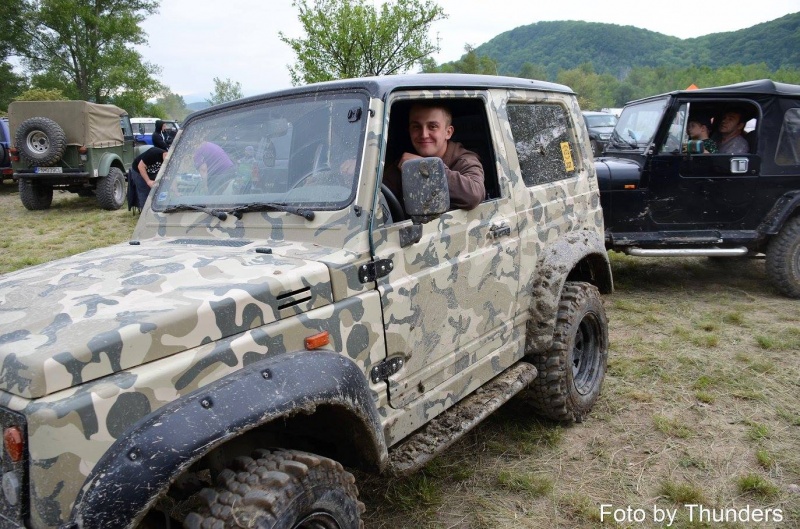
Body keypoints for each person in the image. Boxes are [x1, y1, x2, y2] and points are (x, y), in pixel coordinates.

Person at [383, 102, 484, 213]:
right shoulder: (406, 161)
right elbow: (380, 195)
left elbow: (474, 195)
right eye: (416, 127)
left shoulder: (464, 160)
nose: (424, 134)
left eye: (432, 127)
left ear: (448, 132)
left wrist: (425, 167)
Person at [128, 147, 167, 211]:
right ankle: (145, 212)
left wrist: (176, 191)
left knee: (159, 189)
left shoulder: (169, 160)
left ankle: (158, 210)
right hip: (138, 170)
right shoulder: (153, 153)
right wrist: (148, 181)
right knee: (144, 191)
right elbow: (140, 166)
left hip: (151, 171)